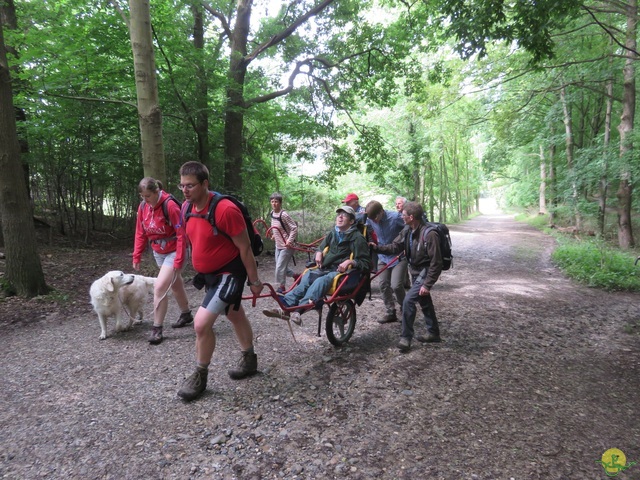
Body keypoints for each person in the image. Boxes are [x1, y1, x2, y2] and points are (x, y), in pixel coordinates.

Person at [176, 161, 264, 402]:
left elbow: (245, 249)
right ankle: (249, 360)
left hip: (230, 273)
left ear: (205, 184)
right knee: (235, 315)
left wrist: (254, 282)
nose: (185, 190)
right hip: (210, 277)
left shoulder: (225, 210)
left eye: (190, 186)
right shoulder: (186, 208)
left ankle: (200, 376)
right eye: (182, 185)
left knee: (201, 324)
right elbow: (192, 240)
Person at [263, 205, 371, 326]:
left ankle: (299, 310)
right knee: (308, 274)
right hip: (325, 267)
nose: (340, 216)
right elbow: (320, 247)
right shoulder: (333, 232)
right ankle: (286, 307)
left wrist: (350, 262)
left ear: (351, 221)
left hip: (341, 272)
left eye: (344, 215)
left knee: (321, 280)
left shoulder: (357, 238)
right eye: (339, 214)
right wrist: (319, 252)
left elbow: (366, 263)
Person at [373, 201, 443, 353]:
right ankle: (434, 333)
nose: (401, 217)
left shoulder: (430, 234)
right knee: (425, 302)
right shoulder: (408, 230)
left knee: (408, 301)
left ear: (411, 217)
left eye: (403, 215)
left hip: (425, 272)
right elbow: (395, 247)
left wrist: (427, 284)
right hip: (415, 271)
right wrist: (376, 248)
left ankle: (406, 338)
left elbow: (436, 263)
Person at [133, 177, 192, 345]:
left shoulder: (170, 206)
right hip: (158, 251)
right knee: (175, 284)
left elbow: (182, 234)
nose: (145, 200)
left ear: (157, 192)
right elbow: (140, 232)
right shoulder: (143, 206)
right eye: (142, 196)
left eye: (148, 196)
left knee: (159, 287)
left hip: (175, 251)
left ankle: (157, 329)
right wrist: (137, 255)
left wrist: (179, 259)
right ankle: (186, 313)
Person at [365, 200, 408, 324]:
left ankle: (406, 310)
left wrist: (404, 243)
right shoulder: (369, 219)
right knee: (383, 284)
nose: (373, 221)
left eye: (375, 218)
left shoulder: (395, 218)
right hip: (382, 256)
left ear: (381, 212)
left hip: (399, 256)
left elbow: (409, 227)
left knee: (396, 285)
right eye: (371, 219)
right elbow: (366, 228)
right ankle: (390, 312)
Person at [268, 192, 299, 293]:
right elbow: (276, 227)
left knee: (279, 268)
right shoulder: (272, 214)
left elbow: (294, 228)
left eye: (276, 202)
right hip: (278, 245)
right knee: (280, 266)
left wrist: (289, 241)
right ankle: (296, 276)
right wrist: (273, 235)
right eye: (272, 202)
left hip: (287, 246)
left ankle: (280, 287)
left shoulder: (284, 214)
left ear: (280, 203)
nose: (274, 204)